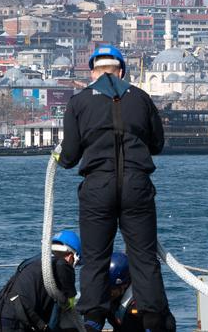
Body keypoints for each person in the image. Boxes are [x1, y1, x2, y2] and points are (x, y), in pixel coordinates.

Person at [57, 44, 171, 331]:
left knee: (95, 258)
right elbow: (157, 144)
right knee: (144, 257)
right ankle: (153, 322)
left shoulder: (79, 102)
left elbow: (69, 158)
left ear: (93, 72)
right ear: (121, 71)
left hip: (97, 186)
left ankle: (93, 321)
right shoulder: (142, 98)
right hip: (136, 185)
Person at [0, 231, 81, 332]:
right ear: (72, 257)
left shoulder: (30, 262)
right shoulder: (63, 265)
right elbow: (67, 302)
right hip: (11, 323)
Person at [104, 252, 177, 332]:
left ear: (124, 285)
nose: (107, 292)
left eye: (111, 288)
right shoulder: (109, 298)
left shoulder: (144, 301)